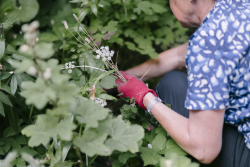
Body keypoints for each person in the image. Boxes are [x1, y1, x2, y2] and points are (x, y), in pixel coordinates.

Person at [115, 0, 250, 166]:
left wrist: (145, 97)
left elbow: (205, 150)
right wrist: (126, 77)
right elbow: (179, 56)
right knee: (176, 82)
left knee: (171, 85)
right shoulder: (238, 8)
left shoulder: (208, 44)